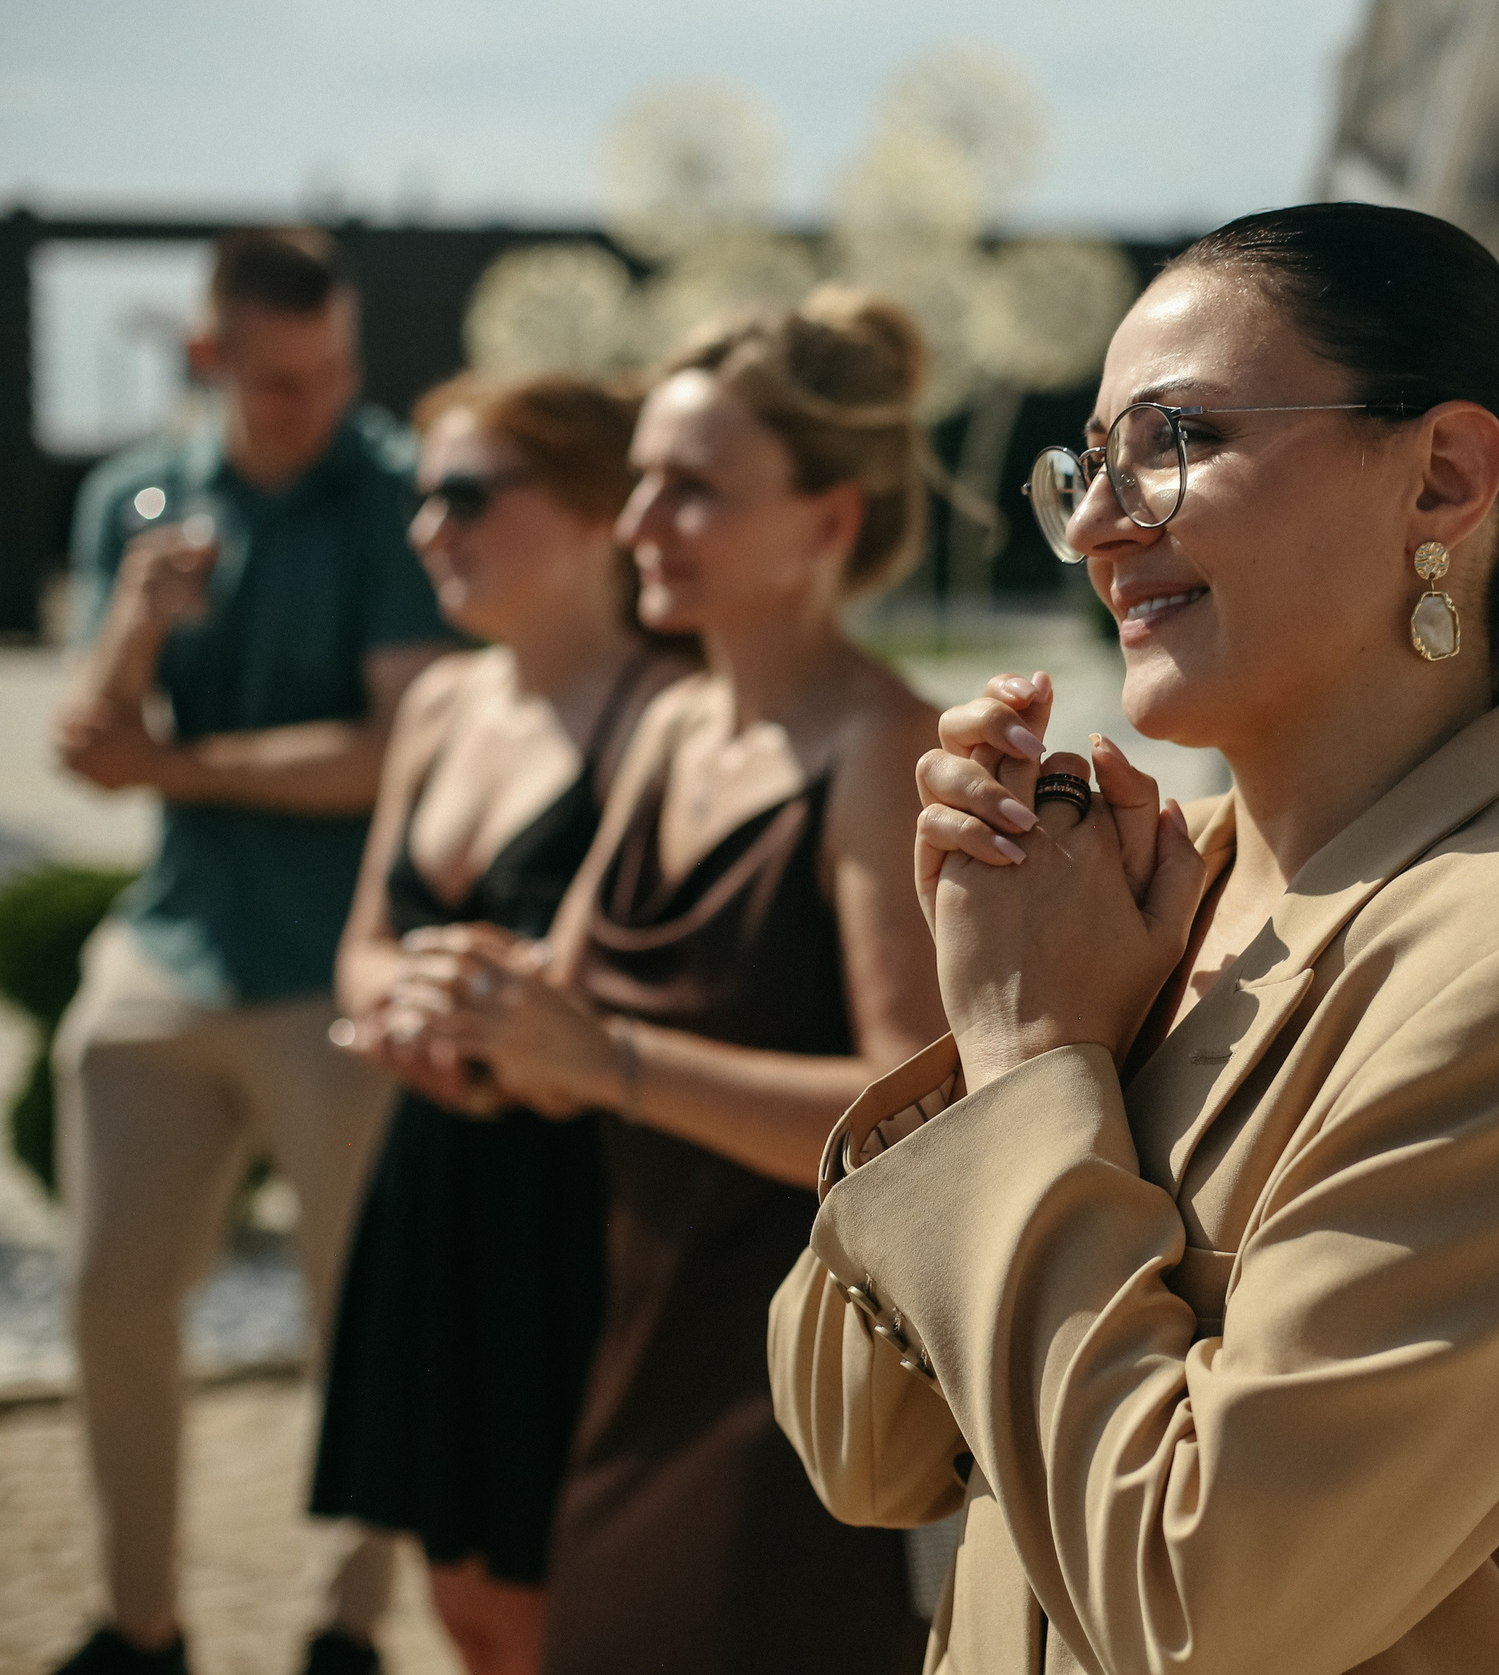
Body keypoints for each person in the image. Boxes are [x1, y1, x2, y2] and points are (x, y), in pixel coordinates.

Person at [770, 202, 1499, 1673]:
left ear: (1446, 477)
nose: (1099, 522)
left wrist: (1035, 1056)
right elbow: (858, 1445)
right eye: (1084, 466)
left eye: (1173, 443)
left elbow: (1200, 1601)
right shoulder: (1156, 912)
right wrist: (1004, 1040)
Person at [381, 288, 945, 1674]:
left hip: (793, 1371)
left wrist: (613, 1067)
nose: (636, 524)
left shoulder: (883, 751)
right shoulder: (675, 720)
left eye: (690, 490)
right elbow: (559, 1007)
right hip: (625, 1328)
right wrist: (458, 1008)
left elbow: (916, 1124)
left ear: (829, 522)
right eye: (640, 481)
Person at [52, 227, 455, 1675]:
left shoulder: (398, 488)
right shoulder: (134, 495)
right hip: (171, 948)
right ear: (213, 360)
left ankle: (345, 1623)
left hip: (336, 967)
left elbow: (389, 748)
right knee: (109, 1293)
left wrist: (184, 767)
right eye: (282, 380)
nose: (320, 402)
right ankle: (138, 1621)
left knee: (362, 1319)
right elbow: (90, 744)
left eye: (337, 367)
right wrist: (135, 625)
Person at [306, 372, 688, 1675]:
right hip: (435, 1179)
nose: (427, 528)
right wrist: (402, 1003)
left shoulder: (673, 709)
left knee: (569, 1611)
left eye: (466, 494)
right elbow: (363, 941)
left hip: (585, 1201)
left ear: (597, 511)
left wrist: (493, 1018)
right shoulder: (438, 704)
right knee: (463, 1602)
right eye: (423, 497)